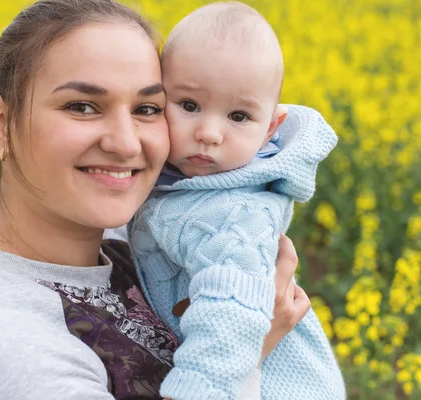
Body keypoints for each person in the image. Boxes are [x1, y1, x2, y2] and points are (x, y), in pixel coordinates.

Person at [0, 0, 343, 399]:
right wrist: (254, 344)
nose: (124, 143)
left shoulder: (133, 236)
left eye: (147, 109)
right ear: (0, 122)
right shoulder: (5, 350)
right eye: (82, 106)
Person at [128, 2, 344, 399]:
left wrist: (195, 390)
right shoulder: (171, 181)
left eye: (239, 116)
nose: (209, 133)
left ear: (270, 129)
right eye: (189, 106)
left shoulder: (236, 213)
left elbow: (231, 313)